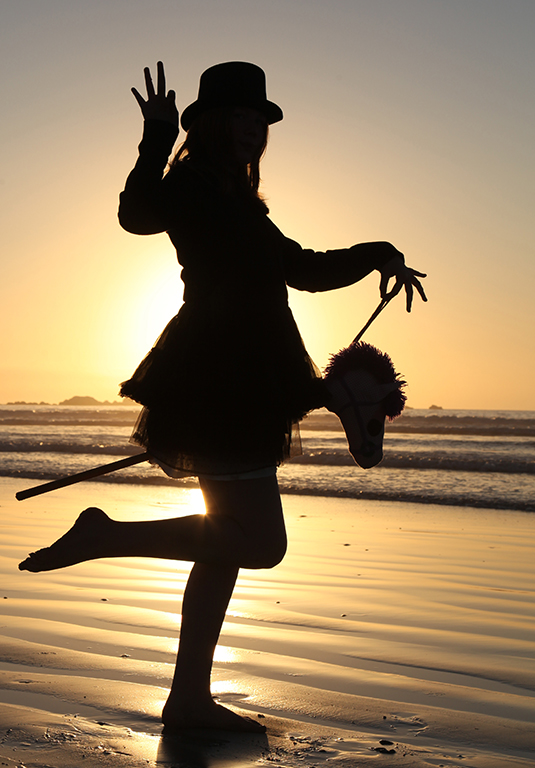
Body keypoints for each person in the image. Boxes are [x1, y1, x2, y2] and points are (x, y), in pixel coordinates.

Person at [19, 61, 426, 732]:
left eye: (260, 121)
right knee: (259, 544)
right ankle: (106, 534)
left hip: (246, 377)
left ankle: (187, 699)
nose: (253, 131)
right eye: (239, 116)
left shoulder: (243, 203)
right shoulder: (194, 185)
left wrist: (376, 251)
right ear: (209, 123)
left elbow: (300, 270)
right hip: (221, 379)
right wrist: (153, 139)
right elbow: (135, 215)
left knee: (225, 548)